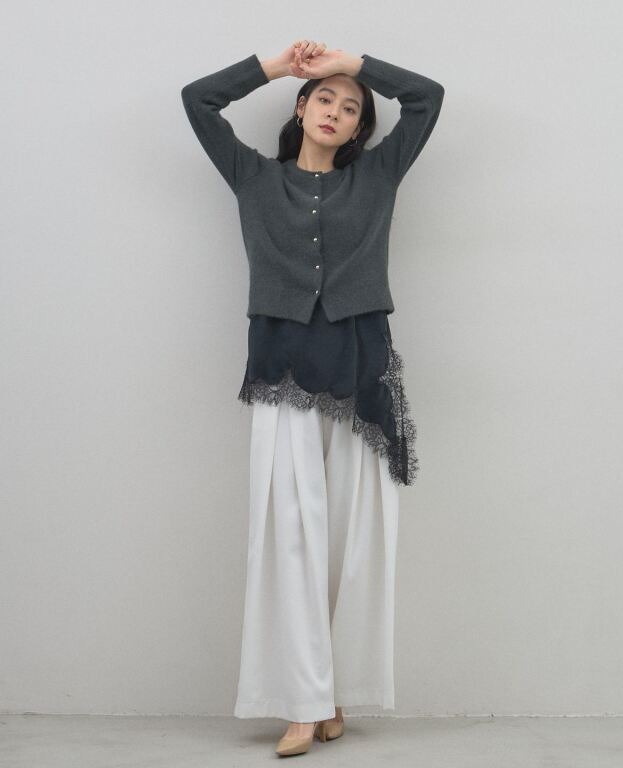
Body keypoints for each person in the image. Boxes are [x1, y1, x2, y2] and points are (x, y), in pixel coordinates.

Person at [181, 39, 445, 757]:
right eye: (323, 99)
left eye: (350, 107)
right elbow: (197, 102)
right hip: (284, 368)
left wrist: (352, 63)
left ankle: (333, 691)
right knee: (291, 535)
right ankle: (302, 701)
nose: (335, 111)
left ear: (359, 129)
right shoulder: (253, 178)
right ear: (301, 109)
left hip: (361, 368)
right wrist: (276, 67)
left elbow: (426, 99)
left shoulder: (379, 177)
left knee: (354, 542)